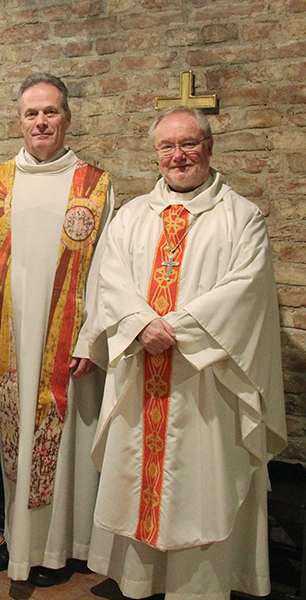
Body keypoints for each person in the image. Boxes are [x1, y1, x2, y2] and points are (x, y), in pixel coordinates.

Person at [86, 106, 287, 600]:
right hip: (141, 371)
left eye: (189, 144)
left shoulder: (241, 218)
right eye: (167, 147)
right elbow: (108, 282)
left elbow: (246, 292)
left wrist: (172, 330)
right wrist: (139, 326)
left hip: (206, 381)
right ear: (155, 153)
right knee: (137, 474)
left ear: (209, 147)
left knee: (202, 480)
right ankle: (139, 580)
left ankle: (199, 588)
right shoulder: (131, 216)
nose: (178, 156)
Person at [0, 73, 114, 586]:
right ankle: (19, 542)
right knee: (14, 443)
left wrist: (91, 340)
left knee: (70, 450)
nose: (41, 122)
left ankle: (64, 546)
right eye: (31, 113)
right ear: (19, 121)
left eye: (51, 112)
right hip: (10, 341)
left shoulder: (96, 185)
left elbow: (109, 268)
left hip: (69, 346)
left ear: (67, 118)